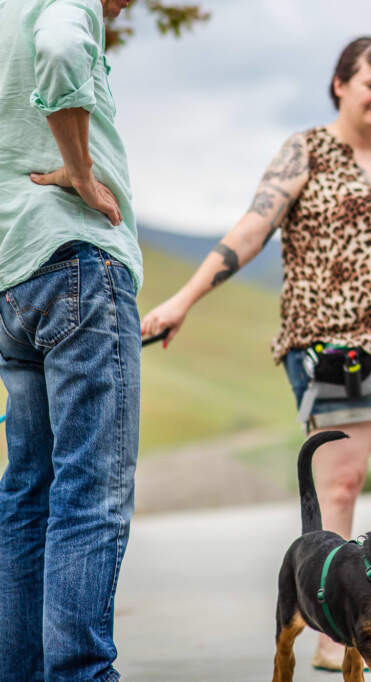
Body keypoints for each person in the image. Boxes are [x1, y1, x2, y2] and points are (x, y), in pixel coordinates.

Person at [140, 36, 371, 667]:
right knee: (339, 483)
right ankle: (330, 635)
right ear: (340, 83)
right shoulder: (306, 149)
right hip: (334, 343)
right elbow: (254, 228)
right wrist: (183, 299)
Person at [0, 1, 143, 680]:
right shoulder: (63, 5)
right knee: (91, 492)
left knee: (29, 489)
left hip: (11, 277)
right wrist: (82, 172)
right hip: (76, 266)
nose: (119, 8)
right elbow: (60, 48)